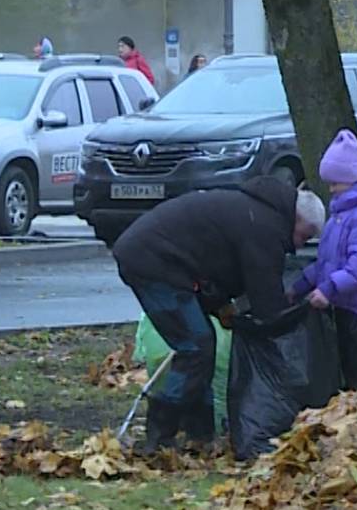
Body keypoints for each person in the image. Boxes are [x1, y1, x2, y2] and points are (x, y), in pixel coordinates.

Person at [111, 176, 326, 452]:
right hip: (152, 263)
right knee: (196, 348)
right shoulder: (265, 228)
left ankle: (199, 433)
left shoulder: (255, 211)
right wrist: (291, 316)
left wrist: (224, 307)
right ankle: (159, 433)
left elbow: (220, 265)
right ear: (294, 218)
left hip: (157, 258)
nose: (298, 245)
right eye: (304, 236)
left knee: (200, 344)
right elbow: (267, 303)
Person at [293, 130, 357, 388]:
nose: (331, 189)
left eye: (335, 183)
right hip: (348, 304)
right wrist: (302, 284)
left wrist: (327, 289)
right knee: (349, 366)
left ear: (351, 180)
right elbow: (328, 261)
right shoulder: (342, 216)